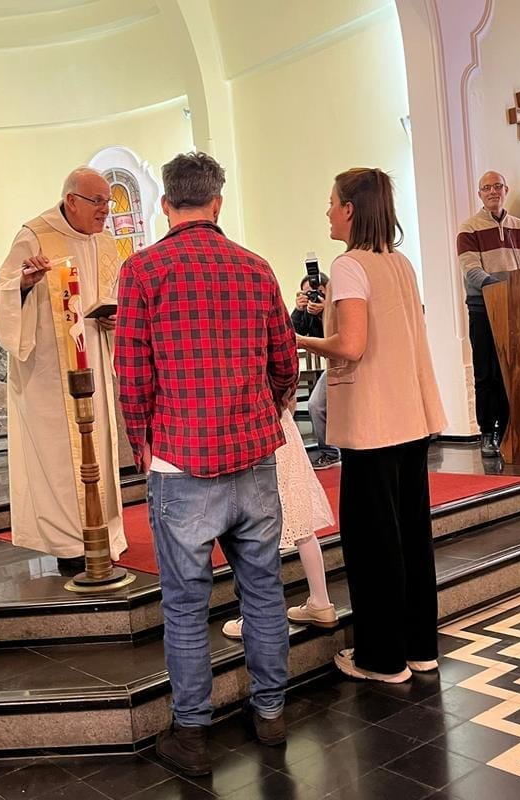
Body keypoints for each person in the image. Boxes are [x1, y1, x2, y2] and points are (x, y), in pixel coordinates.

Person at [115, 152, 298, 776]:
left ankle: (192, 736)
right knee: (264, 591)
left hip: (180, 461)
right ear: (217, 202)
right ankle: (271, 714)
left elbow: (132, 376)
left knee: (186, 605)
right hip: (253, 458)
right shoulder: (255, 267)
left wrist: (144, 445)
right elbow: (284, 362)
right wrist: (264, 411)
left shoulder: (142, 271)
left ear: (165, 204)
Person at [297, 167, 446, 684]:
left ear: (350, 209)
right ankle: (420, 648)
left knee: (372, 541)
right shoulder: (399, 261)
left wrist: (300, 340)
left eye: (331, 202)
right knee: (411, 534)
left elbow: (352, 346)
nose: (327, 211)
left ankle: (381, 659)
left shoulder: (349, 264)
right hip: (410, 417)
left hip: (373, 421)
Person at [0, 167, 127, 572]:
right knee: (60, 459)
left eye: (108, 202)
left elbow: (113, 295)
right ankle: (69, 544)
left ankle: (103, 535)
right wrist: (24, 284)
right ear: (71, 201)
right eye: (97, 201)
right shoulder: (34, 235)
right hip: (47, 374)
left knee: (98, 451)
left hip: (93, 361)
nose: (105, 210)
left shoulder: (105, 242)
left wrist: (115, 317)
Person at [221, 404, 337, 639]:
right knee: (301, 520)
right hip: (284, 428)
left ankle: (254, 617)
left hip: (255, 431)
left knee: (255, 525)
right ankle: (321, 602)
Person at [457, 171, 520, 458]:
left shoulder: (519, 227)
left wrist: (514, 294)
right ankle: (488, 432)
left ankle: (512, 430)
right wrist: (503, 289)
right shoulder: (468, 229)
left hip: (516, 310)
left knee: (514, 372)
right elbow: (472, 271)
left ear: (505, 190)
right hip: (483, 308)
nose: (493, 191)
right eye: (487, 188)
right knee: (486, 373)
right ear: (480, 194)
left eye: (498, 186)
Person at [292, 272, 341, 469]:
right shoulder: (307, 313)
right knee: (315, 405)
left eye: (319, 292)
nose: (314, 297)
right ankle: (330, 452)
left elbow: (342, 336)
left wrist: (326, 311)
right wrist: (298, 311)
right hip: (333, 367)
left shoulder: (340, 307)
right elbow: (292, 336)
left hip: (351, 364)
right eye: (308, 293)